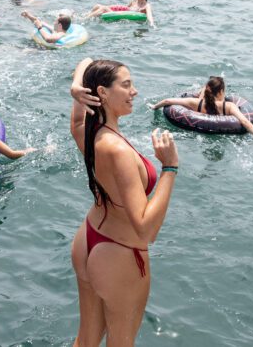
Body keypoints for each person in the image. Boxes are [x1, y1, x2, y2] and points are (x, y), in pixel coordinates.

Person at [69, 57, 178, 347]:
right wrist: (169, 168)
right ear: (103, 93)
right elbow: (145, 229)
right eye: (127, 85)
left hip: (88, 240)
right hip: (119, 254)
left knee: (86, 340)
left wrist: (75, 88)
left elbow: (86, 61)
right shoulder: (118, 151)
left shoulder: (89, 132)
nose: (135, 91)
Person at [148, 76, 253, 149]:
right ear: (221, 92)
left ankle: (209, 85)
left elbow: (168, 100)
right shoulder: (229, 106)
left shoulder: (195, 102)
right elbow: (245, 121)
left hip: (196, 129)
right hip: (225, 133)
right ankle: (213, 87)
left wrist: (154, 107)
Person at [86, 0, 155, 27]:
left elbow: (149, 15)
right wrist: (111, 8)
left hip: (126, 18)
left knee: (104, 8)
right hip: (121, 15)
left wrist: (152, 24)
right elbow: (125, 9)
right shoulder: (134, 1)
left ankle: (85, 19)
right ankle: (86, 16)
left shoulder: (147, 5)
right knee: (97, 6)